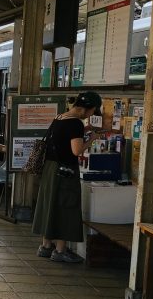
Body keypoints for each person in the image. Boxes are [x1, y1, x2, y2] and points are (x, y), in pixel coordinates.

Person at [32, 91, 103, 263]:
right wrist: (92, 139)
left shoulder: (60, 118)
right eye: (93, 111)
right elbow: (76, 151)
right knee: (65, 206)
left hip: (50, 168)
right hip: (65, 171)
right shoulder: (75, 124)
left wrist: (84, 130)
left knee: (50, 205)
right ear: (87, 109)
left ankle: (46, 246)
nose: (92, 114)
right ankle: (60, 250)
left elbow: (62, 139)